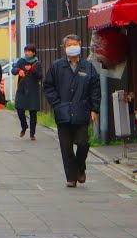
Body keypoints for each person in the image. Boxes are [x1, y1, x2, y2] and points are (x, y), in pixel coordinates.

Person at [43, 34, 101, 188]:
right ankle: (71, 177)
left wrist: (94, 108)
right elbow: (48, 86)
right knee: (66, 146)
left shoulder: (88, 67)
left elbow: (95, 88)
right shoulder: (57, 66)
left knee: (83, 143)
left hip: (82, 112)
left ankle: (80, 166)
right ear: (64, 48)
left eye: (75, 44)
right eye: (69, 45)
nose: (72, 47)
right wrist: (57, 104)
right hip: (63, 113)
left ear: (80, 46)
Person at [12, 44, 42, 140]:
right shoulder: (21, 61)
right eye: (26, 51)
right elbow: (13, 69)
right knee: (20, 109)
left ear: (33, 53)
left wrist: (32, 70)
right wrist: (18, 70)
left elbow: (40, 76)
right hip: (22, 89)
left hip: (33, 90)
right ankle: (24, 126)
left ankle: (32, 134)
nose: (28, 53)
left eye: (30, 51)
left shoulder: (37, 63)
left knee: (33, 112)